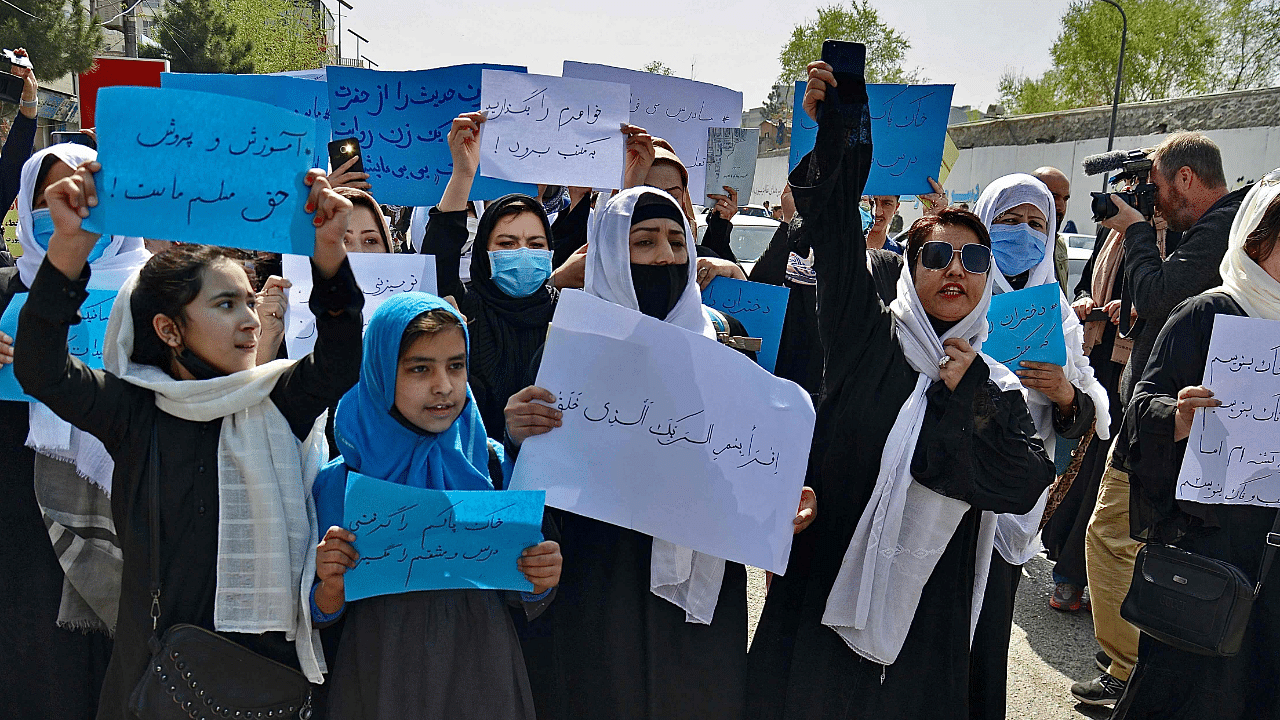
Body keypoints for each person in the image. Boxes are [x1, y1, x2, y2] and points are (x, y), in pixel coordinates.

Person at [745, 59, 1054, 720]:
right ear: (911, 272)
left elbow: (1021, 482)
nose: (956, 270)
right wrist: (840, 125)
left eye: (974, 260)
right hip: (827, 586)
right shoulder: (867, 335)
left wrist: (966, 392)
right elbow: (830, 232)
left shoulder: (991, 381)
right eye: (937, 256)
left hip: (927, 619)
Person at [15, 161, 361, 720]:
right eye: (226, 305)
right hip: (154, 687)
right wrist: (69, 250)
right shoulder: (134, 411)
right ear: (169, 330)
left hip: (263, 687)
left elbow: (343, 358)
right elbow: (40, 370)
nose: (252, 321)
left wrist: (328, 254)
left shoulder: (278, 400)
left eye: (250, 301)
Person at [504, 187, 816, 719]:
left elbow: (740, 461)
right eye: (644, 242)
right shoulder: (563, 351)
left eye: (677, 241)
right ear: (606, 253)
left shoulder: (723, 346)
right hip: (599, 582)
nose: (665, 257)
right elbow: (541, 481)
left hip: (697, 600)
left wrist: (780, 498)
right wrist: (516, 431)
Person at [308, 293, 562, 719]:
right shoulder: (343, 480)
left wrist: (542, 577)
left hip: (484, 678)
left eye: (456, 365)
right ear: (379, 372)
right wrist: (330, 585)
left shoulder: (494, 465)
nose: (443, 385)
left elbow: (525, 593)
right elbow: (319, 614)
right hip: (381, 678)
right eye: (419, 368)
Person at [1073, 131, 1250, 706]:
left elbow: (1159, 294)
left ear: (1185, 179)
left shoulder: (1221, 229)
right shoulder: (1210, 231)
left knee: (1112, 539)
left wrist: (1132, 232)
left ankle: (1129, 671)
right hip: (1168, 418)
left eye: (1154, 188)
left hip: (1173, 424)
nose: (1151, 199)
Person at [1111, 170, 1280, 719]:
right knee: (1183, 695)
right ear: (1258, 240)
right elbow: (1141, 412)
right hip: (1210, 551)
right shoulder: (1209, 313)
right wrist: (1177, 418)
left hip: (1271, 557)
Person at [0, 143, 143, 718]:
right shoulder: (8, 291)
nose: (68, 209)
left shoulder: (157, 294)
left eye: (85, 191)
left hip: (128, 520)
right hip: (24, 527)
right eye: (49, 197)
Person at [967, 173, 1108, 720]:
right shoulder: (958, 289)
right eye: (1009, 221)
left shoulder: (1059, 316)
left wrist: (1064, 390)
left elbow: (1083, 416)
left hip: (1014, 496)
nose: (1023, 234)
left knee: (989, 634)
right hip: (949, 488)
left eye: (1036, 224)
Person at [422, 113, 560, 443]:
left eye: (536, 244)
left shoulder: (568, 314)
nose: (523, 252)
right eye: (507, 244)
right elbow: (437, 262)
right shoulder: (465, 310)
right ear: (485, 253)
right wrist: (463, 174)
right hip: (481, 480)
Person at [1030, 166, 1073, 296]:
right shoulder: (1015, 242)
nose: (1061, 207)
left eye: (1065, 199)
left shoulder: (1058, 244)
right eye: (1053, 196)